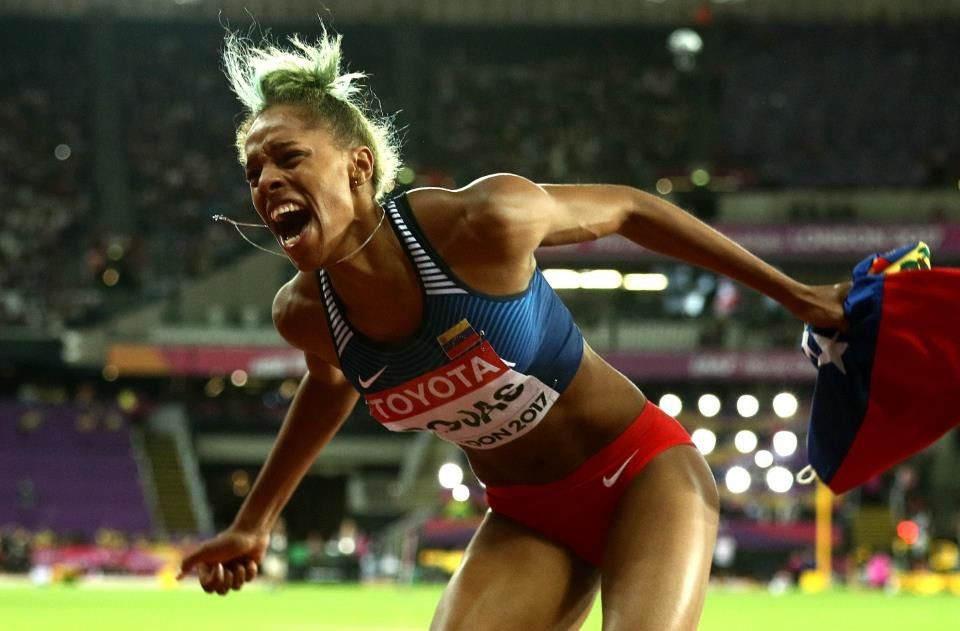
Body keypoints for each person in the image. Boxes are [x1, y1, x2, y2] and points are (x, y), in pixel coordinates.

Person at [177, 28, 847, 630]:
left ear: (356, 166)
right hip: (527, 515)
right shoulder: (305, 314)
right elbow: (330, 387)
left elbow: (630, 210)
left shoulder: (482, 223)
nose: (266, 182)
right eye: (254, 172)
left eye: (288, 158)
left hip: (643, 474)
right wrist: (253, 522)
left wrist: (794, 294)